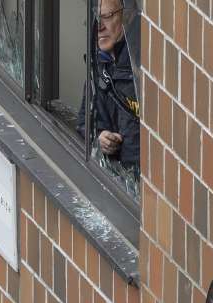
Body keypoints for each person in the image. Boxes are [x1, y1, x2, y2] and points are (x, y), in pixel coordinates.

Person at [77, 0, 140, 174]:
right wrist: (101, 138)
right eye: (97, 18)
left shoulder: (142, 65)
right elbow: (84, 123)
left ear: (128, 16)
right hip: (114, 178)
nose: (99, 27)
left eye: (107, 17)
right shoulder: (99, 61)